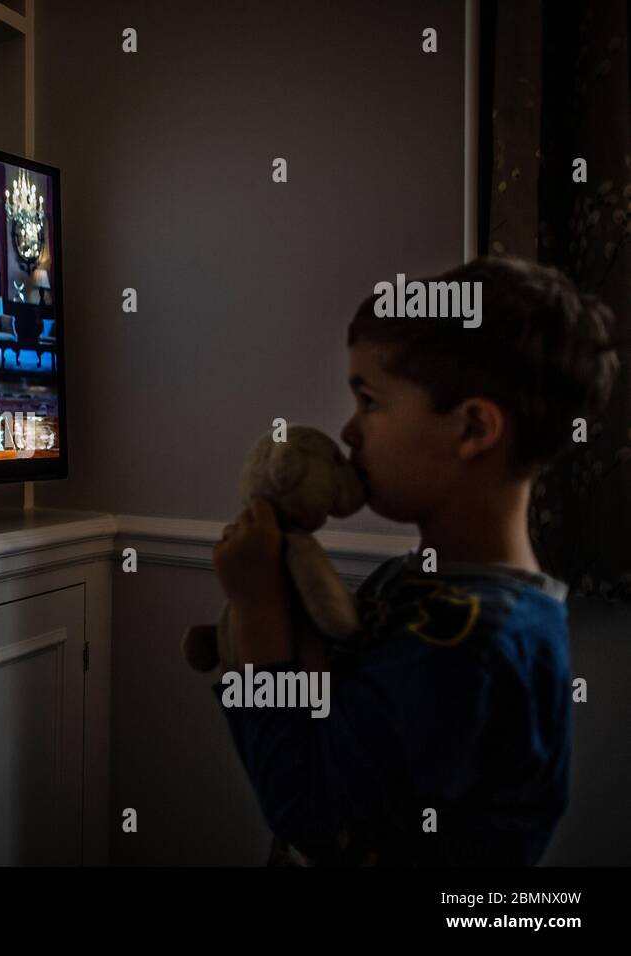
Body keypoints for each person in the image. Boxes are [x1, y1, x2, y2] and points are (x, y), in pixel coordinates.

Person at [212, 257, 621, 865]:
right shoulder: (416, 583)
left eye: (370, 401)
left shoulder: (473, 646)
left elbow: (306, 809)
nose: (348, 433)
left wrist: (258, 616)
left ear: (472, 427)